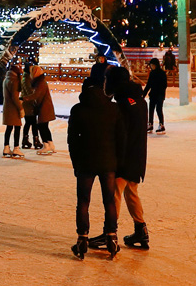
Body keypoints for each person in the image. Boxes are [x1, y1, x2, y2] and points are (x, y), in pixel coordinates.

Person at [90, 67, 149, 251]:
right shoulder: (139, 100)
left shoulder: (122, 104)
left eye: (107, 80)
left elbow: (118, 133)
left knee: (114, 192)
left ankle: (110, 233)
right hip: (138, 155)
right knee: (131, 192)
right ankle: (141, 229)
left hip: (125, 157)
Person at [68, 81, 125, 260]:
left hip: (85, 163)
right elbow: (121, 138)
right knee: (109, 200)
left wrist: (75, 162)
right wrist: (118, 163)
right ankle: (111, 236)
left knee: (83, 200)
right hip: (108, 163)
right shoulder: (113, 109)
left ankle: (82, 237)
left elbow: (72, 140)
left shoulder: (78, 109)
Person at [31, 65, 57, 154]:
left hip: (44, 108)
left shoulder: (40, 82)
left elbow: (37, 96)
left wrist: (26, 98)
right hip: (45, 107)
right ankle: (51, 144)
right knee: (45, 127)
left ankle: (46, 145)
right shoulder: (40, 81)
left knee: (41, 126)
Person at [1, 61, 25, 158]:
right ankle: (16, 148)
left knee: (9, 127)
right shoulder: (14, 81)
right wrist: (20, 108)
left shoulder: (6, 79)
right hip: (14, 108)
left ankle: (6, 147)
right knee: (17, 127)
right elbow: (15, 97)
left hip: (7, 106)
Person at [143, 58, 167, 134]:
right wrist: (143, 94)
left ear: (156, 65)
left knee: (158, 109)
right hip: (153, 94)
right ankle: (150, 124)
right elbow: (148, 85)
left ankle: (161, 124)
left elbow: (164, 85)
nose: (152, 66)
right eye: (151, 65)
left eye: (153, 65)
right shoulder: (152, 73)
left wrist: (159, 91)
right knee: (151, 109)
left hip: (159, 94)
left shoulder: (162, 73)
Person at [21, 64, 38, 150]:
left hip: (28, 103)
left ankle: (27, 139)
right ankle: (33, 140)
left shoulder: (27, 78)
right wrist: (34, 98)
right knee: (32, 122)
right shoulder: (26, 79)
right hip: (28, 104)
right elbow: (29, 91)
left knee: (30, 122)